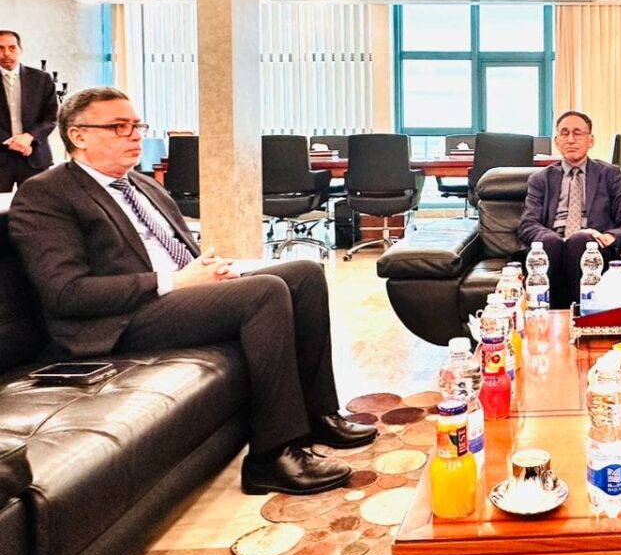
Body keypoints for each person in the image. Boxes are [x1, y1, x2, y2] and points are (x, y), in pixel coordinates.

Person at [8, 86, 376, 496]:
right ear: (78, 135)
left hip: (173, 297)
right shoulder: (46, 193)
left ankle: (318, 415)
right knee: (265, 293)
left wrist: (215, 272)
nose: (135, 135)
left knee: (304, 273)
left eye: (137, 125)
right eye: (119, 127)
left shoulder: (143, 185)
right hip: (116, 322)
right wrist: (176, 282)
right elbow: (66, 293)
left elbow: (181, 254)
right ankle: (271, 456)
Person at [518, 110, 621, 307]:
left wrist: (609, 236)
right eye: (564, 133)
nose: (571, 139)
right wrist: (552, 238)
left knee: (580, 241)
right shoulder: (540, 179)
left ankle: (582, 316)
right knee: (550, 243)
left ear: (590, 140)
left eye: (578, 133)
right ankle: (546, 315)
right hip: (552, 245)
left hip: (591, 247)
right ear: (557, 141)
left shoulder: (609, 175)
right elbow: (528, 224)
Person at [0, 30, 58, 192]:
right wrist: (11, 142)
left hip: (35, 155)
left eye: (12, 48)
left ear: (20, 50)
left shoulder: (41, 79)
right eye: (0, 48)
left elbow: (51, 117)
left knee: (38, 204)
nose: (6, 53)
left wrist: (29, 137)